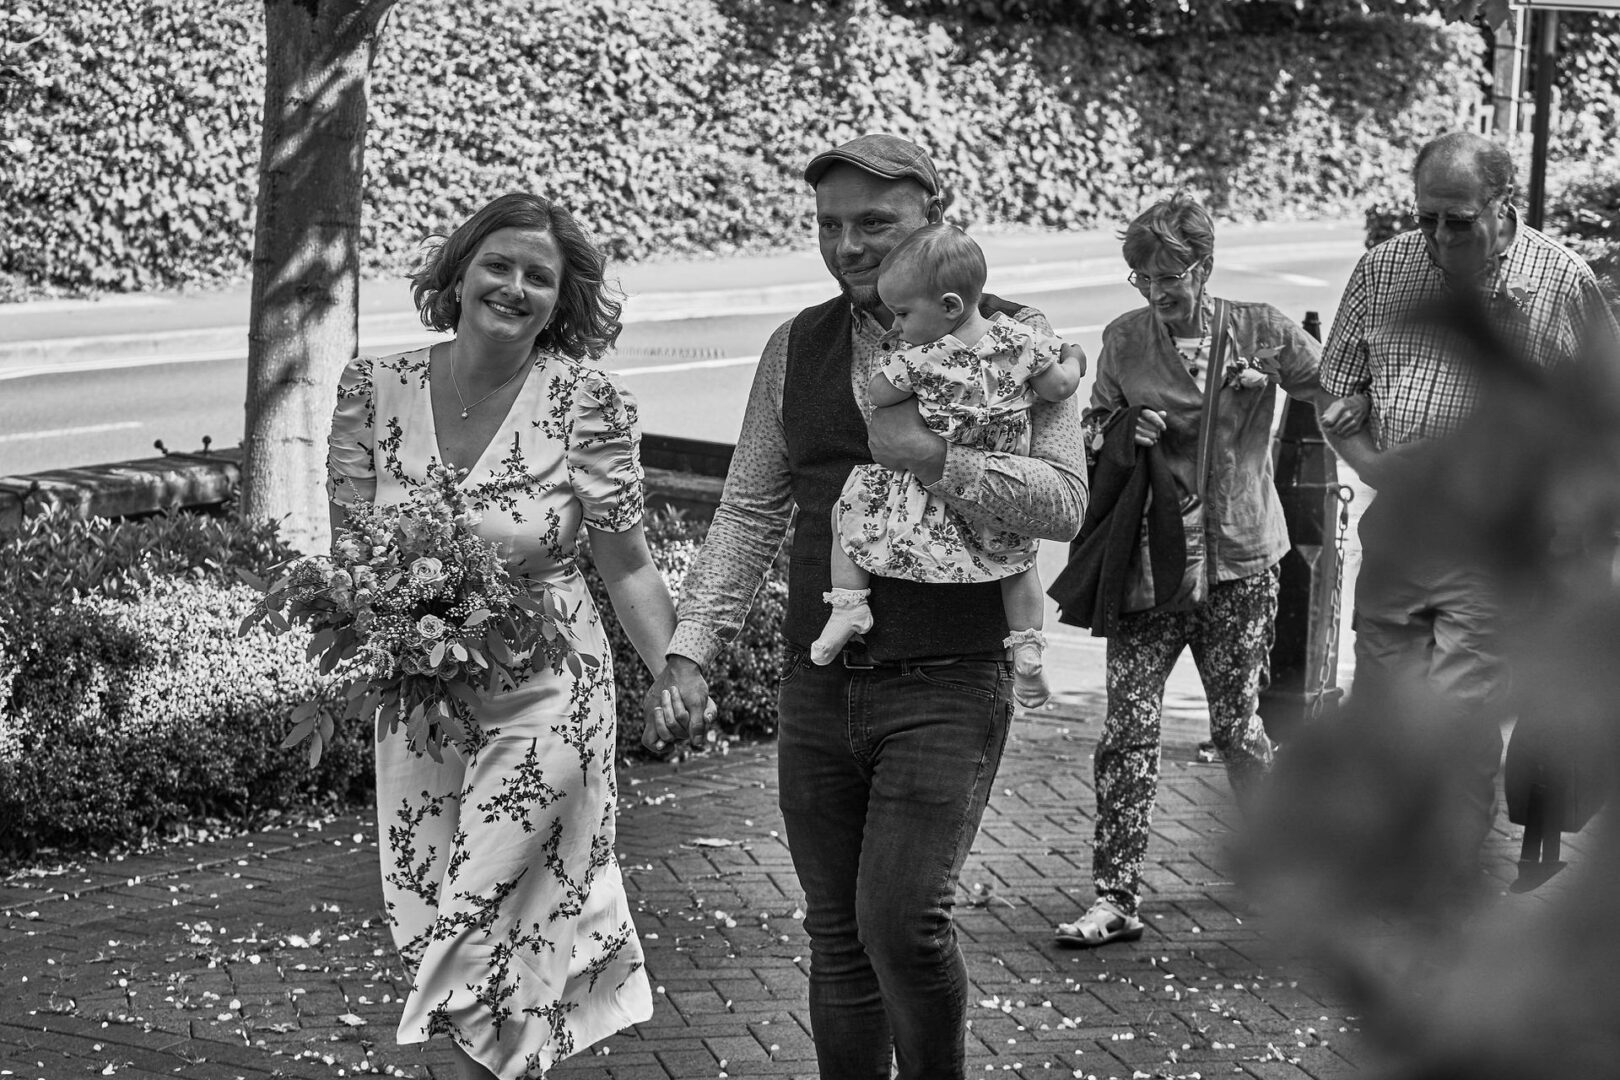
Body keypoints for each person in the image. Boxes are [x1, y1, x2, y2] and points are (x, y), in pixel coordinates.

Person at [640, 134, 1087, 1079]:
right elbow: (753, 506)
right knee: (838, 935)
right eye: (829, 224)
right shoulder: (796, 345)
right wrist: (692, 650)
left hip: (952, 678)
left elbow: (1064, 501)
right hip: (822, 683)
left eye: (874, 223)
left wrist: (934, 457)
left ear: (935, 217)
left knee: (903, 925)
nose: (848, 245)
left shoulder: (1017, 339)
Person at [326, 192, 678, 1080]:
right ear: (460, 271)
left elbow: (626, 565)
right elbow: (352, 553)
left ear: (562, 301)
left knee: (484, 915)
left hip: (551, 687)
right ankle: (517, 1062)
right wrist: (381, 614)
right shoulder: (375, 388)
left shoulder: (584, 401)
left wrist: (678, 670)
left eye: (540, 277)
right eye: (500, 265)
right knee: (432, 909)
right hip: (425, 698)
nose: (515, 287)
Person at [1053, 192, 1351, 948]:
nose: (1156, 294)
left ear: (1204, 267)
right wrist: (1126, 426)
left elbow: (1335, 391)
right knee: (1126, 729)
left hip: (1244, 561)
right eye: (1142, 280)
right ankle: (1114, 896)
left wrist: (1277, 384)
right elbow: (1091, 431)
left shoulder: (1260, 329)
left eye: (1169, 278)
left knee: (1238, 728)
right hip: (1150, 566)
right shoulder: (1124, 341)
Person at [1319, 131, 1620, 875]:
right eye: (1427, 218)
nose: (1439, 236)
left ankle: (1438, 883)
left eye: (1458, 221)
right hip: (1397, 535)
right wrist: (1376, 464)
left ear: (1501, 207)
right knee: (1386, 710)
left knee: (1457, 714)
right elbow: (1334, 389)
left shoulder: (1559, 282)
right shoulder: (1384, 271)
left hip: (1493, 544)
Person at [811, 222, 1083, 709]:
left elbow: (879, 394)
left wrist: (894, 362)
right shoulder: (1022, 340)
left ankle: (849, 606)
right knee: (1017, 562)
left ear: (949, 307)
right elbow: (1060, 387)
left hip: (923, 491)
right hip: (999, 475)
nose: (896, 326)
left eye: (902, 313)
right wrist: (1076, 358)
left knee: (850, 511)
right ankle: (1025, 644)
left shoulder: (923, 356)